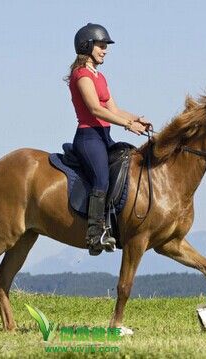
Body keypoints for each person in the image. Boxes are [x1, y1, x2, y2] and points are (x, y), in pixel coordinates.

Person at [65, 23, 151, 256]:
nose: (105, 50)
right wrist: (126, 125)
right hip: (88, 137)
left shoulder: (100, 76)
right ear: (87, 46)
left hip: (104, 136)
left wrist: (137, 119)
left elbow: (113, 107)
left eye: (105, 46)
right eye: (101, 46)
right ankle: (94, 234)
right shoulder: (81, 75)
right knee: (101, 179)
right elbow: (95, 109)